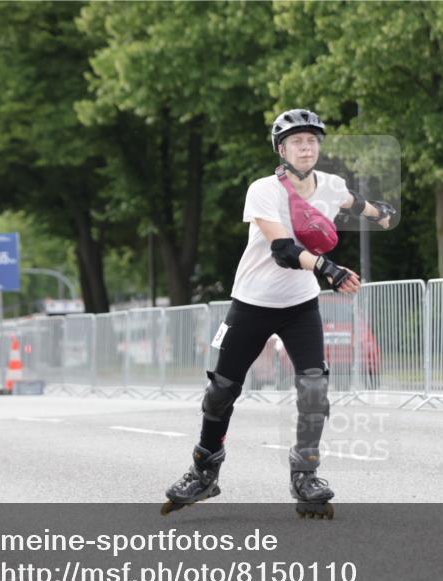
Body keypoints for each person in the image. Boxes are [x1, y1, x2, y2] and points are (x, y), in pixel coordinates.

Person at [161, 108, 392, 519]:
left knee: (314, 390)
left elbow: (356, 204)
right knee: (221, 391)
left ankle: (306, 476)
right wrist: (328, 268)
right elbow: (283, 249)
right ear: (281, 150)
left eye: (312, 141)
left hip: (300, 305)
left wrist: (381, 214)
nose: (306, 148)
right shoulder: (264, 190)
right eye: (296, 142)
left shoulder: (331, 185)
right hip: (252, 302)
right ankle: (204, 471)